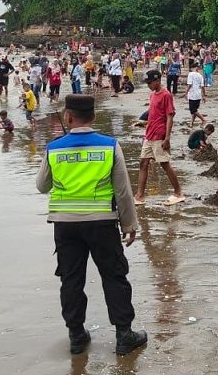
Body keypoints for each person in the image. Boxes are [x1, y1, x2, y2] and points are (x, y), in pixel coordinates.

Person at [35, 95, 148, 356]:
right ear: (94, 117)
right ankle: (123, 335)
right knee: (114, 276)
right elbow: (123, 190)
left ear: (68, 117)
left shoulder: (54, 148)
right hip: (102, 224)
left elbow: (42, 186)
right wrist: (130, 223)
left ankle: (76, 335)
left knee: (71, 279)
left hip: (65, 225)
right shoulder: (109, 146)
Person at [134, 70, 184, 205]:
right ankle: (139, 196)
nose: (148, 85)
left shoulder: (166, 95)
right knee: (143, 163)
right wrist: (143, 122)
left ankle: (178, 192)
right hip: (149, 134)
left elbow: (169, 116)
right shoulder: (153, 95)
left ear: (157, 81)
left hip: (159, 134)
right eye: (147, 83)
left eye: (150, 83)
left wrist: (167, 137)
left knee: (164, 163)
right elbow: (153, 112)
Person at [184, 63, 207, 128]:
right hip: (198, 94)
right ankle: (191, 123)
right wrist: (204, 95)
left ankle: (203, 120)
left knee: (193, 110)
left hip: (192, 94)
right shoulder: (200, 75)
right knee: (194, 110)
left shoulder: (190, 74)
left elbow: (190, 84)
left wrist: (186, 93)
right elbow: (202, 87)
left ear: (191, 68)